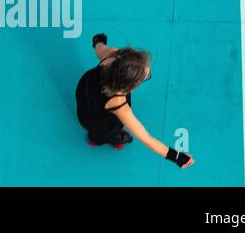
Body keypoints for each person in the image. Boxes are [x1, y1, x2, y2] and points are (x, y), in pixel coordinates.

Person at [77, 33, 194, 168]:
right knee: (103, 132)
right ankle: (98, 140)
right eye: (144, 77)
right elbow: (146, 138)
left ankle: (97, 136)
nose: (148, 75)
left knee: (92, 117)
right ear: (128, 85)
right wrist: (177, 157)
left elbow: (100, 50)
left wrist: (98, 42)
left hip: (84, 90)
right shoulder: (119, 104)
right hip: (95, 121)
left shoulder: (114, 55)